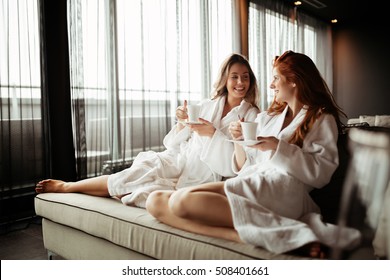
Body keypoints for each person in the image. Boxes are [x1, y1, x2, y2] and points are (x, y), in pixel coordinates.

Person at [145, 51, 361, 256]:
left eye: (276, 78)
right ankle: (256, 236)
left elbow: (321, 174)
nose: (271, 84)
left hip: (284, 189)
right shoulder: (269, 117)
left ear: (294, 80)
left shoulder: (321, 118)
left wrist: (278, 147)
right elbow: (244, 165)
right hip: (254, 180)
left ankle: (282, 233)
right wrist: (239, 139)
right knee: (155, 202)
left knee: (181, 202)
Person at [35, 53, 261, 208]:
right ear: (225, 79)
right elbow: (173, 143)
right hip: (178, 159)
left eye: (245, 77)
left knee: (144, 189)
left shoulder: (252, 115)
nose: (240, 82)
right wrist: (182, 121)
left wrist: (212, 134)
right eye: (234, 76)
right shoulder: (206, 104)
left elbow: (240, 167)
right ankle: (68, 186)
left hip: (205, 173)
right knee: (140, 170)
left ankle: (70, 187)